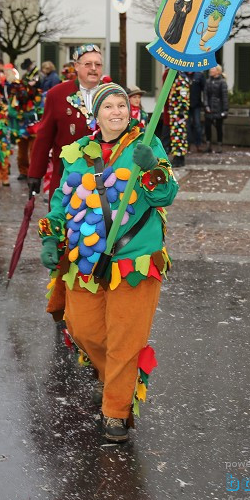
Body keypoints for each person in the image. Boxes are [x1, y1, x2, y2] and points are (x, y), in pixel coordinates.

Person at [38, 83, 178, 443]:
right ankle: (118, 377)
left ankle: (115, 410)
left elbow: (166, 194)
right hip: (86, 260)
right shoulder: (76, 152)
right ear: (95, 115)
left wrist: (153, 168)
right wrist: (51, 236)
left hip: (135, 259)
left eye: (122, 106)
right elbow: (61, 199)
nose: (117, 112)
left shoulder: (146, 144)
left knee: (125, 339)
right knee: (84, 330)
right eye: (108, 106)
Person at [29, 45, 104, 199]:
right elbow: (44, 137)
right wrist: (35, 173)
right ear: (76, 66)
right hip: (66, 177)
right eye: (88, 64)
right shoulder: (57, 94)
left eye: (98, 64)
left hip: (104, 179)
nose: (93, 69)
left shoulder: (112, 93)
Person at [204, 65, 229, 153]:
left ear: (218, 71)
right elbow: (205, 95)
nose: (211, 70)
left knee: (219, 127)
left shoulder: (222, 82)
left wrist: (225, 109)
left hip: (219, 108)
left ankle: (219, 145)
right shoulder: (208, 82)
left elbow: (224, 96)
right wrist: (206, 105)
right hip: (209, 108)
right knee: (207, 127)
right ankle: (208, 144)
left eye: (213, 69)